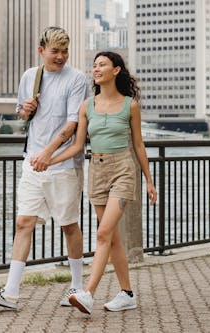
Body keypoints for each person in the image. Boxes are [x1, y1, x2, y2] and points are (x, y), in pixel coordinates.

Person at [32, 51, 157, 314]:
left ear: (116, 71)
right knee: (112, 239)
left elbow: (138, 144)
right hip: (97, 172)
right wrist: (49, 160)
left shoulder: (129, 106)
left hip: (123, 170)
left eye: (102, 65)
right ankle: (127, 294)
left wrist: (149, 180)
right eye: (94, 65)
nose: (96, 69)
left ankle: (87, 292)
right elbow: (77, 145)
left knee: (102, 233)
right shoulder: (87, 105)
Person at [0, 26, 87, 310]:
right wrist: (25, 110)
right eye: (55, 51)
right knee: (23, 222)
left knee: (69, 225)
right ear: (41, 51)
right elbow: (23, 113)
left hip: (62, 164)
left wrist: (48, 154)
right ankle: (11, 293)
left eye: (65, 51)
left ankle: (77, 289)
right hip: (33, 163)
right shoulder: (30, 76)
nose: (61, 56)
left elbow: (73, 124)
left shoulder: (76, 79)